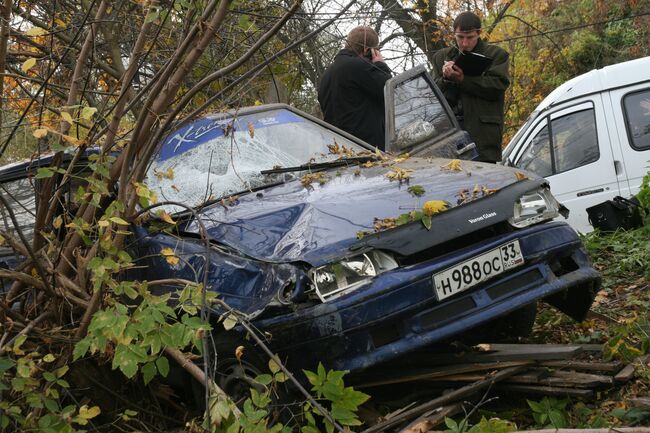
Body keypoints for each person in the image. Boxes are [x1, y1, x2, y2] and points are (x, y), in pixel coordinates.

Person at [432, 11, 510, 163]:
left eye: (470, 37)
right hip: (449, 137)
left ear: (479, 33)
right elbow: (431, 94)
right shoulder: (441, 57)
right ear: (453, 34)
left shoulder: (496, 55)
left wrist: (463, 80)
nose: (465, 43)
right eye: (460, 37)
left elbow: (497, 86)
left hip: (482, 136)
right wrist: (445, 78)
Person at [318, 26, 392, 150]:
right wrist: (380, 65)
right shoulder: (358, 67)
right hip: (365, 148)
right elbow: (389, 90)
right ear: (367, 50)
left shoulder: (327, 74)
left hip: (337, 147)